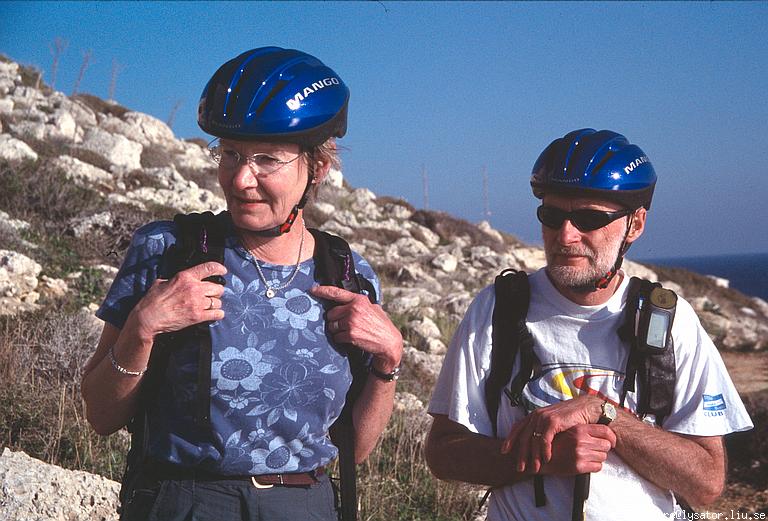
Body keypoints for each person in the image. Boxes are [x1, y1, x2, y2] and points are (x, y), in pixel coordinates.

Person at [81, 47, 403, 521]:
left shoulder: (349, 275)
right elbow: (101, 416)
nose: (240, 178)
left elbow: (351, 451)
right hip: (186, 503)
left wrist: (388, 360)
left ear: (317, 167)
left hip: (306, 505)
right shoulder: (168, 251)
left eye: (267, 159)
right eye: (229, 154)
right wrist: (142, 328)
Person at [425, 128, 753, 521]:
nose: (566, 234)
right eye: (552, 215)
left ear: (635, 225)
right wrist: (545, 457)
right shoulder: (498, 310)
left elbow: (706, 483)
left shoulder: (669, 321)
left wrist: (603, 412)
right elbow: (443, 454)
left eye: (587, 218)